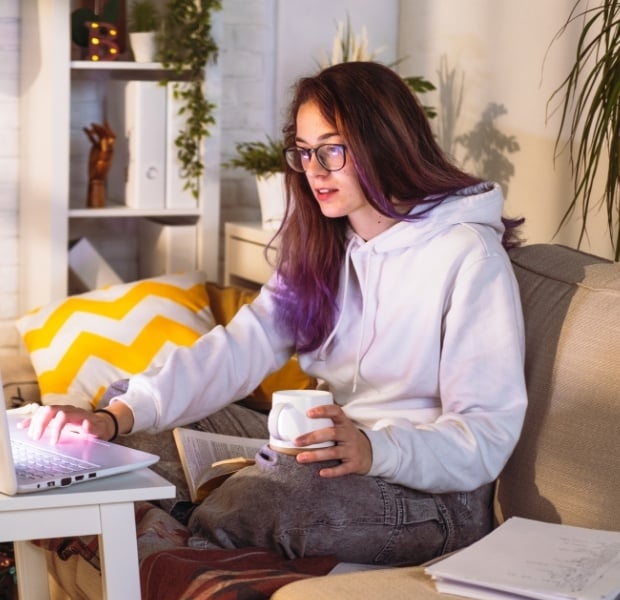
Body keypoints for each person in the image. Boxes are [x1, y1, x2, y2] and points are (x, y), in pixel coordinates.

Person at [25, 61, 527, 566]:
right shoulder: (327, 247)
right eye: (305, 152)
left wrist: (376, 449)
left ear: (386, 142)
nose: (314, 170)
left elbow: (484, 435)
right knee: (141, 433)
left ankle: (161, 547)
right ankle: (164, 525)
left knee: (262, 495)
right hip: (330, 454)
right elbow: (239, 347)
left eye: (332, 149)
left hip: (432, 499)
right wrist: (110, 420)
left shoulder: (469, 256)